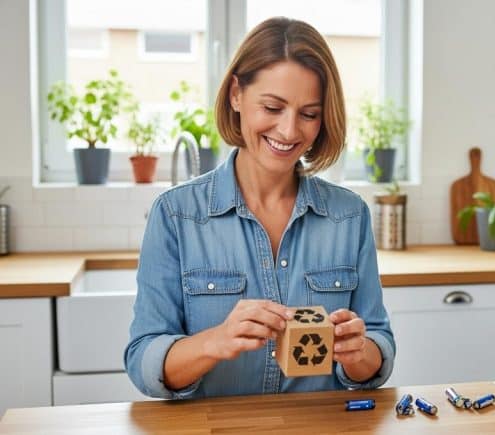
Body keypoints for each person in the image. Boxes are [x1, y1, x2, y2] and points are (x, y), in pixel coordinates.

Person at [125, 17, 395, 399]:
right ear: (236, 93)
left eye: (309, 114)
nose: (288, 131)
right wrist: (214, 342)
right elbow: (142, 361)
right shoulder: (176, 215)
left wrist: (358, 353)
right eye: (272, 107)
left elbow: (378, 349)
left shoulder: (349, 215)